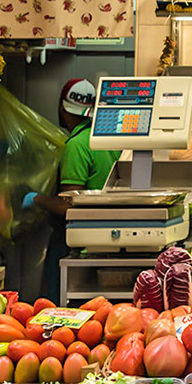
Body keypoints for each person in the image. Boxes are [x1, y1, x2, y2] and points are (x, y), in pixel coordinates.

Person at [32, 78, 119, 299]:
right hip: (109, 241)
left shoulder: (77, 145)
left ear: (63, 108)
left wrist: (36, 199)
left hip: (78, 246)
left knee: (58, 308)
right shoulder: (109, 138)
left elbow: (68, 205)